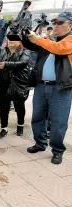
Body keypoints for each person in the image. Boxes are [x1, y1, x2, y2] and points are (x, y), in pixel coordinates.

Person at [22, 12, 72, 165]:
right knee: (37, 117)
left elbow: (59, 49)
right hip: (41, 86)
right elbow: (30, 45)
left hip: (61, 88)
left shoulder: (68, 40)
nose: (55, 26)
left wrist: (39, 39)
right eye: (55, 23)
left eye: (60, 23)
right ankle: (40, 143)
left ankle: (57, 150)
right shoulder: (48, 40)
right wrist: (26, 33)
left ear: (70, 25)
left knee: (58, 121)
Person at [0, 39, 30, 139]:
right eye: (10, 38)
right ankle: (4, 128)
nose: (11, 40)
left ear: (20, 41)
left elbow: (23, 63)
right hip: (1, 82)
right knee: (3, 107)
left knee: (19, 105)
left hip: (17, 83)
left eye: (14, 39)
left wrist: (6, 65)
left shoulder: (24, 51)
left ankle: (20, 125)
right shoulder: (1, 50)